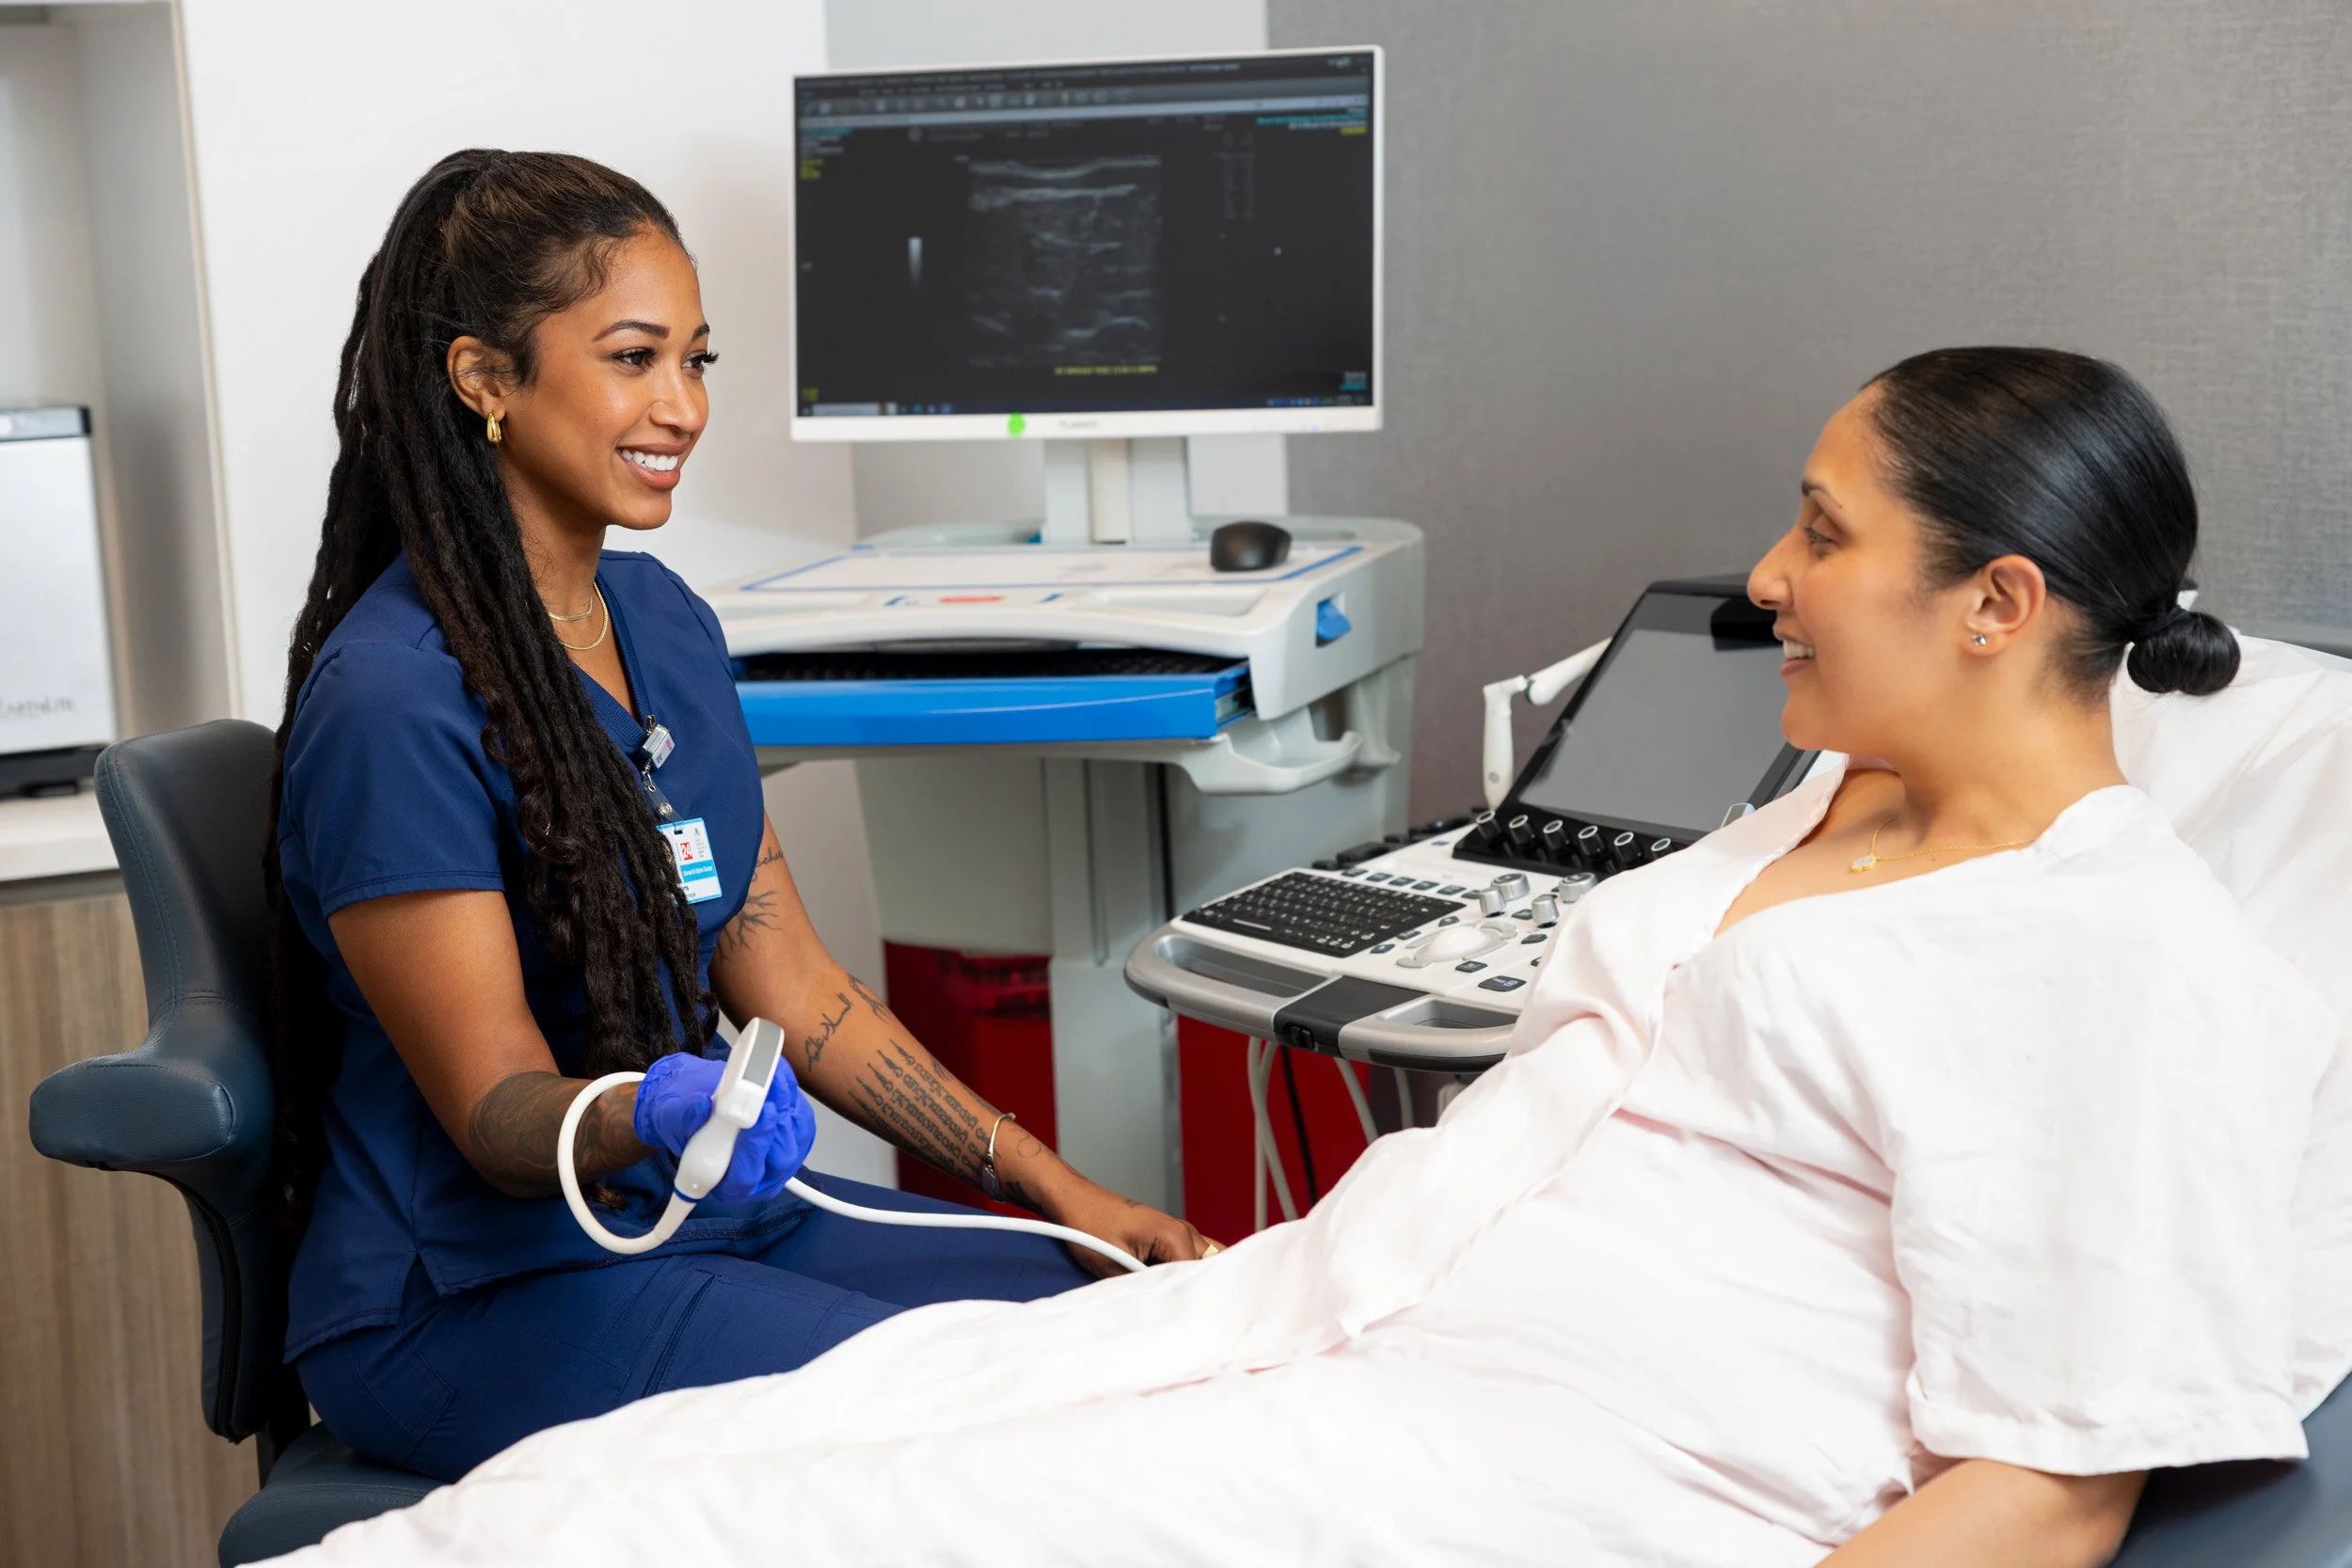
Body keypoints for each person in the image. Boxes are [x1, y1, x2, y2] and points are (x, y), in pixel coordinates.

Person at [264, 352, 2339, 1566]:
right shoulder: (1819, 802)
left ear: (1993, 604)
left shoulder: (2114, 961)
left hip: (1532, 1463)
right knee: (620, 1495)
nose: (1767, 581)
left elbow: (2054, 1477)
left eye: (1819, 533)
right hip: (1321, 1318)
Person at [265, 150, 1209, 1483]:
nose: (683, 406)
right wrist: (645, 1110)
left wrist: (1062, 1187)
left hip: (703, 1216)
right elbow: (491, 1111)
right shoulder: (391, 704)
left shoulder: (666, 623)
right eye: (635, 357)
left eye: (697, 361)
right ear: (483, 379)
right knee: (962, 1417)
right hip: (471, 1293)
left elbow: (805, 993)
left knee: (1117, 1324)